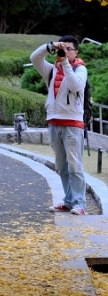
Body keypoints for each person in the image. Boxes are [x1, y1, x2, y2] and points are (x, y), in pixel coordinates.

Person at [31, 36, 89, 215]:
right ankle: (69, 200)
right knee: (61, 166)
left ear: (76, 52)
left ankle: (80, 204)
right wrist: (50, 46)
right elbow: (34, 58)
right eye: (63, 49)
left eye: (69, 49)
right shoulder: (51, 70)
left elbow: (75, 85)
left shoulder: (80, 69)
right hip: (54, 121)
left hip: (72, 123)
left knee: (75, 165)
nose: (65, 52)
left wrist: (65, 64)